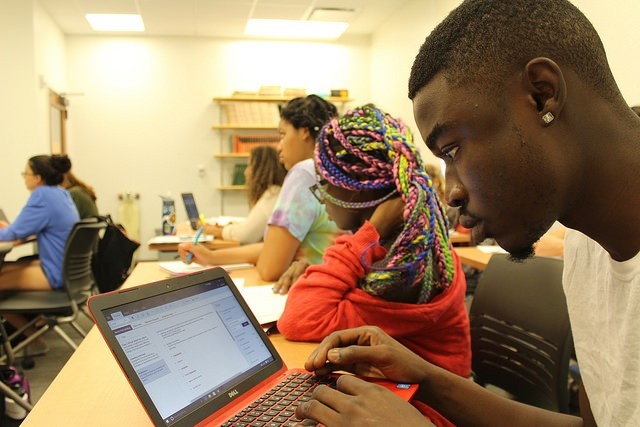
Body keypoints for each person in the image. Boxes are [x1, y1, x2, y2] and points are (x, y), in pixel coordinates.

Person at [291, 1, 640, 426]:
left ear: (542, 94)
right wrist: (429, 379)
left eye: (453, 150)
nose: (452, 192)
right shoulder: (589, 246)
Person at [276, 104, 470, 425]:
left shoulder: (400, 268)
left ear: (357, 190)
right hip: (400, 400)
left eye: (325, 183)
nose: (322, 197)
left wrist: (369, 232)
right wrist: (324, 265)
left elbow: (301, 317)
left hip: (423, 414)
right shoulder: (411, 239)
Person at [178, 95, 341, 281]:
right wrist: (212, 257)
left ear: (304, 132)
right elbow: (275, 248)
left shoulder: (304, 173)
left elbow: (269, 269)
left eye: (282, 134)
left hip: (313, 289)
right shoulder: (336, 172)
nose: (278, 147)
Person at [0, 154, 80, 352]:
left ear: (37, 178)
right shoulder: (61, 193)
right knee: (8, 267)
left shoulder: (42, 195)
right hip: (69, 272)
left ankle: (33, 338)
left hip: (55, 274)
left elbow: (14, 232)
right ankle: (34, 330)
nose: (24, 178)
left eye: (25, 174)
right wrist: (10, 230)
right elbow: (25, 229)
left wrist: (6, 230)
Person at [202, 145, 286, 244]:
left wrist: (215, 231)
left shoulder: (271, 196)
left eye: (249, 166)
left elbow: (244, 236)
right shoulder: (275, 193)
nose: (246, 172)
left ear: (261, 170)